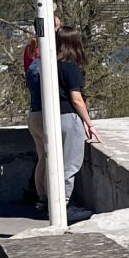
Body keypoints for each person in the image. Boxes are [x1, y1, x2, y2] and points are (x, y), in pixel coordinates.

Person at [26, 26, 98, 221]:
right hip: (68, 117)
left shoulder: (46, 65)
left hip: (49, 116)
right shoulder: (70, 67)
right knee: (70, 164)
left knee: (51, 162)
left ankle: (51, 202)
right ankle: (63, 208)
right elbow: (76, 98)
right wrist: (89, 123)